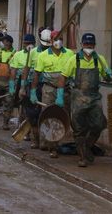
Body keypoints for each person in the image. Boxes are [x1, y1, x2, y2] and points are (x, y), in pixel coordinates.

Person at [57, 33, 112, 167]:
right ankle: (82, 157)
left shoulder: (99, 60)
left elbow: (106, 76)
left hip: (94, 97)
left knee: (99, 124)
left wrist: (109, 74)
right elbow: (63, 77)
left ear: (95, 45)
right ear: (82, 44)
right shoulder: (73, 59)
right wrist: (59, 95)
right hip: (78, 98)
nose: (89, 47)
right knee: (79, 128)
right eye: (87, 44)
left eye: (91, 44)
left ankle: (87, 146)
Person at [31, 30, 74, 158]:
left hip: (65, 90)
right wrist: (33, 91)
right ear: (50, 41)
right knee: (49, 115)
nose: (58, 42)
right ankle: (51, 145)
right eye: (55, 39)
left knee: (63, 116)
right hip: (49, 89)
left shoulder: (70, 54)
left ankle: (58, 142)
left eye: (60, 39)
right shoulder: (43, 55)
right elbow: (37, 74)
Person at [13, 34, 41, 147]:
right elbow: (19, 70)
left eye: (30, 43)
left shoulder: (37, 53)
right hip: (25, 83)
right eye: (26, 43)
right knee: (25, 110)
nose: (28, 45)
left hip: (39, 84)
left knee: (35, 111)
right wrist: (19, 87)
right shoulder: (18, 55)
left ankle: (36, 135)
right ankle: (26, 132)